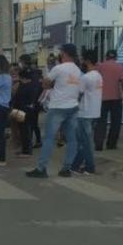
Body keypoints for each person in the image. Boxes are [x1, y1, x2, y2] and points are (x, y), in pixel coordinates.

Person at [26, 43, 81, 178]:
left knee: (49, 138)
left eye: (61, 52)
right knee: (72, 139)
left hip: (57, 107)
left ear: (64, 53)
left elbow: (45, 83)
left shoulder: (59, 68)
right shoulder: (78, 70)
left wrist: (54, 85)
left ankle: (41, 168)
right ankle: (66, 168)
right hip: (73, 107)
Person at [73, 50, 103, 174]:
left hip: (84, 113)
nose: (82, 62)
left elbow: (78, 94)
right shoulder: (99, 76)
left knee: (85, 142)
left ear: (87, 61)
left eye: (83, 59)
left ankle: (90, 167)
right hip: (95, 112)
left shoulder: (85, 77)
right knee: (84, 141)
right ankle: (75, 165)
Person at [95, 49, 123, 151]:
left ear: (106, 57)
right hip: (116, 98)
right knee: (116, 122)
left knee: (101, 122)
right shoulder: (119, 67)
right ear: (116, 57)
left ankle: (99, 145)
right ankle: (111, 144)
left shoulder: (100, 66)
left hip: (101, 98)